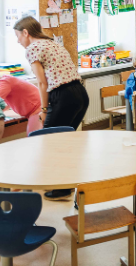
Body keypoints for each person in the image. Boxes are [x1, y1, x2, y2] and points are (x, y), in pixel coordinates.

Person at [14, 16, 89, 201]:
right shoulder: (52, 43)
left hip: (62, 96)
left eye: (18, 36)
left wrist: (44, 109)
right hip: (80, 94)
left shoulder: (33, 48)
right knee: (65, 142)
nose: (18, 41)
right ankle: (67, 185)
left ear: (26, 32)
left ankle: (60, 188)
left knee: (49, 142)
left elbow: (41, 82)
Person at [0, 66, 43, 135]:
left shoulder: (5, 82)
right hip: (36, 109)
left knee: (33, 137)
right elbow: (7, 104)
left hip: (38, 109)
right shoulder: (5, 82)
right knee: (34, 137)